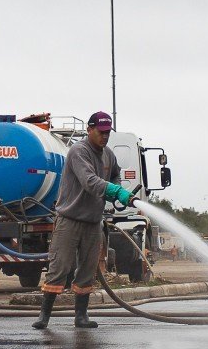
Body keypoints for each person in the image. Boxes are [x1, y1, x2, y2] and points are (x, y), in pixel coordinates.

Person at [33, 111, 134, 330]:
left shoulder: (108, 154)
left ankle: (81, 315)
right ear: (89, 130)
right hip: (70, 219)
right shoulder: (79, 151)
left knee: (87, 269)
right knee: (60, 267)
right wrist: (115, 191)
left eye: (108, 133)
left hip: (93, 221)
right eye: (101, 132)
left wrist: (115, 189)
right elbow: (89, 181)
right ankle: (44, 316)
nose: (105, 137)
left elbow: (115, 174)